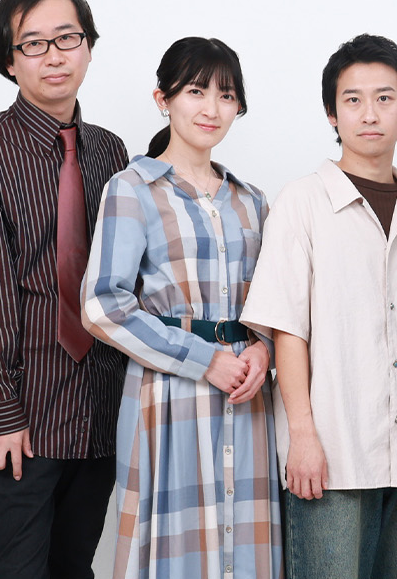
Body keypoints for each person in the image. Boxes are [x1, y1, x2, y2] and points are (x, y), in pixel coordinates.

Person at [239, 34, 397, 578]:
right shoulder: (301, 203)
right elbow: (287, 330)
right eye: (352, 100)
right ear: (332, 114)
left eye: (384, 98)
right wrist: (303, 436)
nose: (369, 114)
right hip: (330, 457)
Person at [0, 0, 130, 579]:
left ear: (89, 47)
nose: (54, 56)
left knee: (74, 567)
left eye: (67, 38)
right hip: (22, 409)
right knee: (19, 571)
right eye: (33, 43)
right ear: (9, 61)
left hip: (99, 403)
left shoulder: (110, 152)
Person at [82, 37, 280, 578]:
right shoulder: (131, 189)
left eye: (226, 95)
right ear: (163, 99)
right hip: (169, 394)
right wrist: (204, 359)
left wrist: (263, 350)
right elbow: (102, 305)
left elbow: (273, 301)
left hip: (248, 395)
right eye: (196, 91)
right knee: (174, 549)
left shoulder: (252, 200)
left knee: (247, 546)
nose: (211, 108)